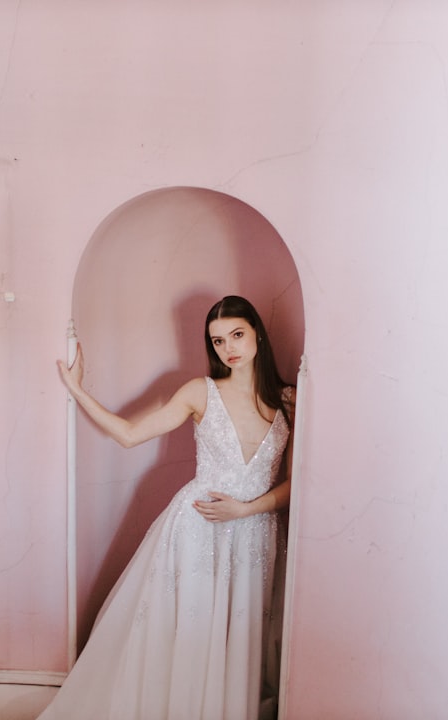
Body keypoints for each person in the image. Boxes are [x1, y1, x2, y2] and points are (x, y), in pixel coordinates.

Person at [39, 295, 295, 720]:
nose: (228, 347)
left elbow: (300, 482)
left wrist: (249, 510)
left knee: (241, 638)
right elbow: (128, 435)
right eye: (217, 341)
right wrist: (76, 390)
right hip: (197, 529)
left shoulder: (289, 400)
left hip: (255, 534)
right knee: (190, 635)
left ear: (258, 335)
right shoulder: (201, 391)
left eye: (237, 335)